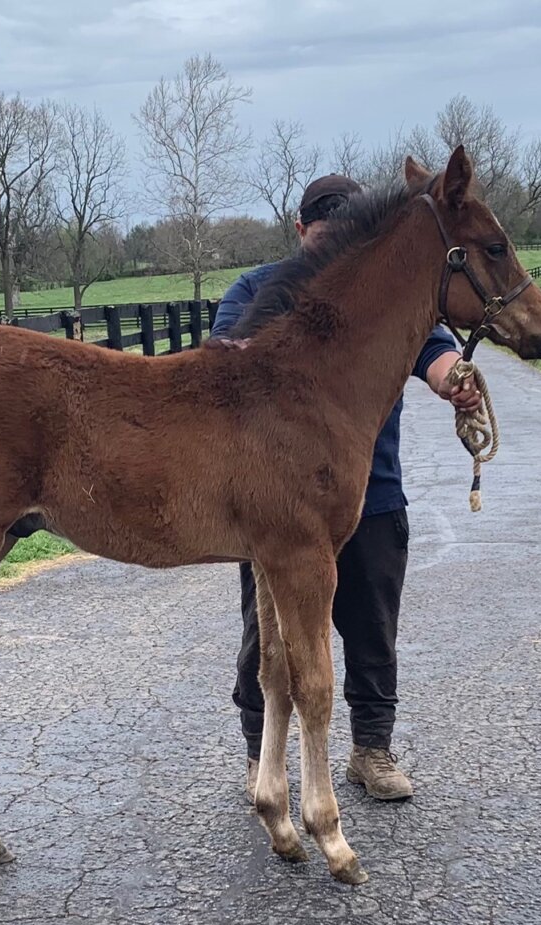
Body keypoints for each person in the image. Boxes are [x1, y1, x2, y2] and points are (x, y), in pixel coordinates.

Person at [207, 174, 482, 802]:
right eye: (324, 232)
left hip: (370, 488)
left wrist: (455, 382)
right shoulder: (256, 289)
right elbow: (223, 359)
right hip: (278, 498)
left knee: (371, 627)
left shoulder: (383, 299)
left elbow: (435, 353)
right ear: (301, 230)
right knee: (266, 631)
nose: (335, 243)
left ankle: (372, 750)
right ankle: (262, 755)